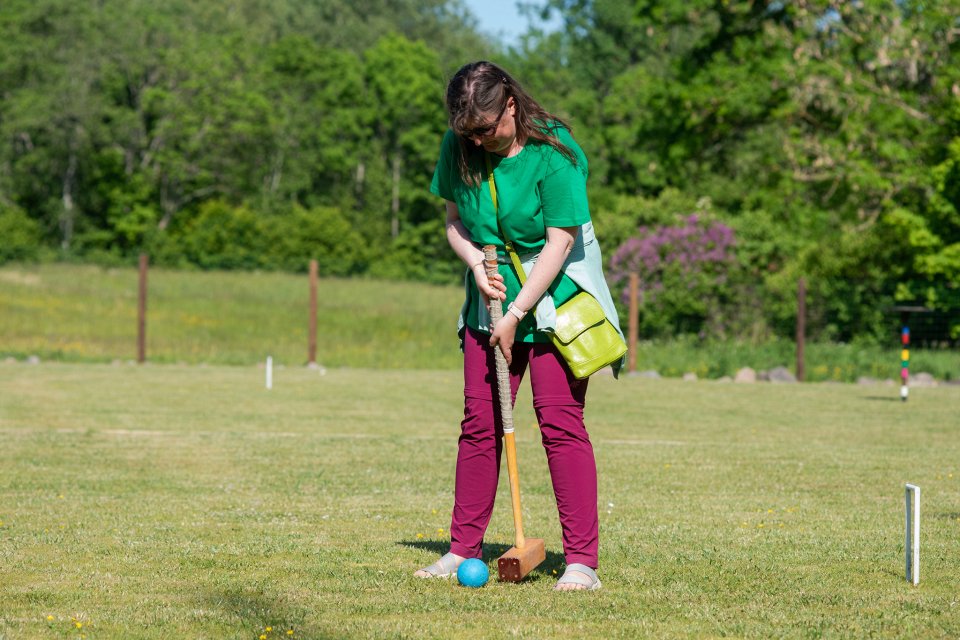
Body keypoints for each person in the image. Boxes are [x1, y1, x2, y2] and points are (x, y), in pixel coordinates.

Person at [413, 61, 624, 591]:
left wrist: (515, 315)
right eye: (469, 132)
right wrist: (478, 273)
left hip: (552, 302)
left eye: (487, 128)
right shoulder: (458, 144)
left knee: (559, 423)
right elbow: (455, 224)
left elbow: (561, 241)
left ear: (510, 104)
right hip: (488, 301)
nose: (479, 139)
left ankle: (581, 562)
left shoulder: (555, 152)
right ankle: (460, 548)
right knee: (479, 427)